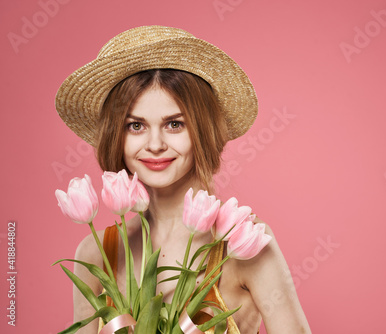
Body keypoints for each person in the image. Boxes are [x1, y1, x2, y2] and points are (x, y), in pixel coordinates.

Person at [55, 26, 311, 334]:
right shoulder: (96, 253)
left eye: (174, 124)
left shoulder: (245, 242)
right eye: (135, 126)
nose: (155, 144)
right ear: (116, 137)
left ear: (202, 131)